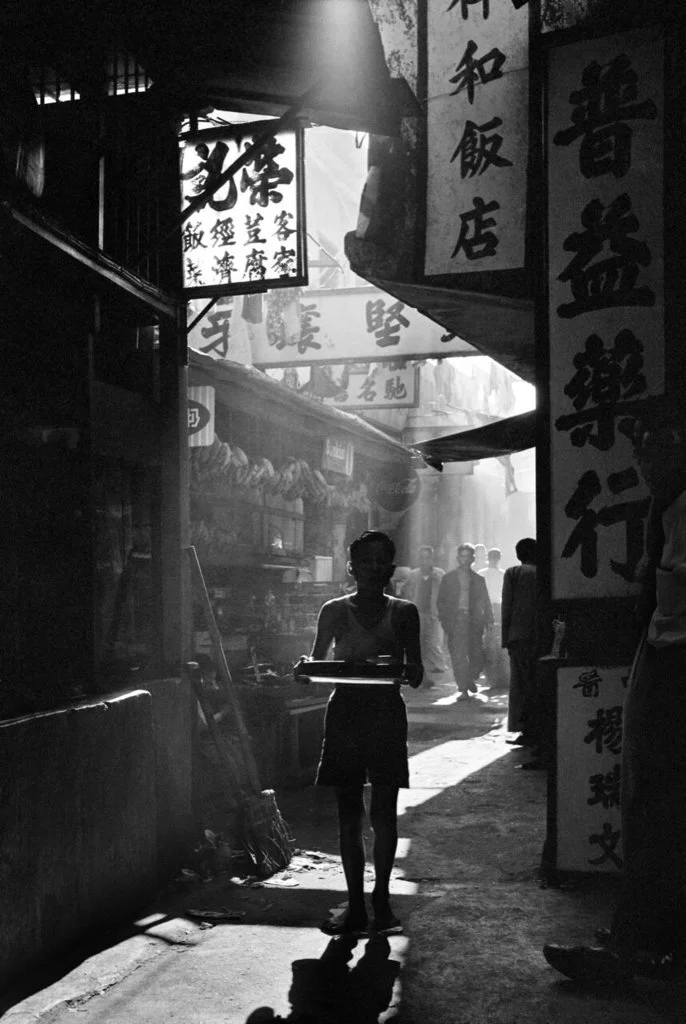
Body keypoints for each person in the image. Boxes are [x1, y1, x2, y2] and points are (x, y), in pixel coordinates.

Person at [543, 407, 686, 984]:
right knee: (652, 803)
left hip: (677, 670)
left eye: (664, 447)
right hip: (664, 661)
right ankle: (647, 931)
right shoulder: (669, 509)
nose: (650, 462)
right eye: (644, 450)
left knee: (658, 806)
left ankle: (642, 944)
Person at [295, 531, 423, 938]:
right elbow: (317, 664)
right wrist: (303, 668)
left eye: (380, 560)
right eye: (364, 560)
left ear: (391, 568)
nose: (372, 567)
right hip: (346, 714)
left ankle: (381, 902)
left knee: (384, 814)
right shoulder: (332, 611)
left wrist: (403, 669)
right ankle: (355, 905)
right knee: (349, 815)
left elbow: (416, 673)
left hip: (386, 714)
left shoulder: (405, 613)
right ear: (350, 568)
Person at [437, 543, 493, 697]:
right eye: (462, 556)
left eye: (468, 556)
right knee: (458, 655)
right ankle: (463, 687)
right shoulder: (448, 578)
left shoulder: (478, 579)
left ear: (473, 559)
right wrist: (445, 621)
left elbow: (485, 600)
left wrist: (489, 620)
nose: (465, 559)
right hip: (456, 621)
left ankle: (470, 678)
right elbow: (440, 601)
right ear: (458, 558)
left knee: (477, 654)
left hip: (474, 621)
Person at [501, 538, 539, 754]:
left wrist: (505, 638)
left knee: (521, 684)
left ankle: (525, 729)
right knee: (536, 682)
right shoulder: (545, 572)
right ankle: (537, 729)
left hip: (519, 636)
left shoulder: (514, 573)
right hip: (540, 635)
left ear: (518, 555)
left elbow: (507, 605)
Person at [403, 545, 448, 688]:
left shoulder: (439, 574)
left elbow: (446, 595)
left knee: (432, 644)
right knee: (419, 645)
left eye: (428, 558)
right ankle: (423, 676)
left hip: (433, 614)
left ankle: (430, 673)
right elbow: (406, 593)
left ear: (432, 559)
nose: (425, 561)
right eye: (422, 558)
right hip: (416, 614)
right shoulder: (413, 575)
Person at [479, 547, 508, 691]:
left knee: (495, 642)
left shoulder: (501, 574)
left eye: (496, 558)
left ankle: (496, 676)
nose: (494, 560)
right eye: (493, 557)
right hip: (489, 607)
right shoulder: (483, 574)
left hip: (496, 607)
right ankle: (492, 676)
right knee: (490, 642)